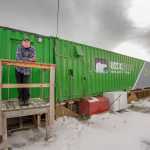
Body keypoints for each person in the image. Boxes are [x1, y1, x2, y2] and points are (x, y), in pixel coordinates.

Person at [16, 38, 36, 106]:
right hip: (18, 69)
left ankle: (26, 100)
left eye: (27, 42)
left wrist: (24, 59)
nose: (26, 44)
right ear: (22, 43)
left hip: (27, 70)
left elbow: (34, 59)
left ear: (29, 43)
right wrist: (29, 59)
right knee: (19, 85)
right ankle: (21, 99)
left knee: (26, 85)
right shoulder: (19, 47)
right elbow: (18, 58)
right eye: (24, 42)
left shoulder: (33, 48)